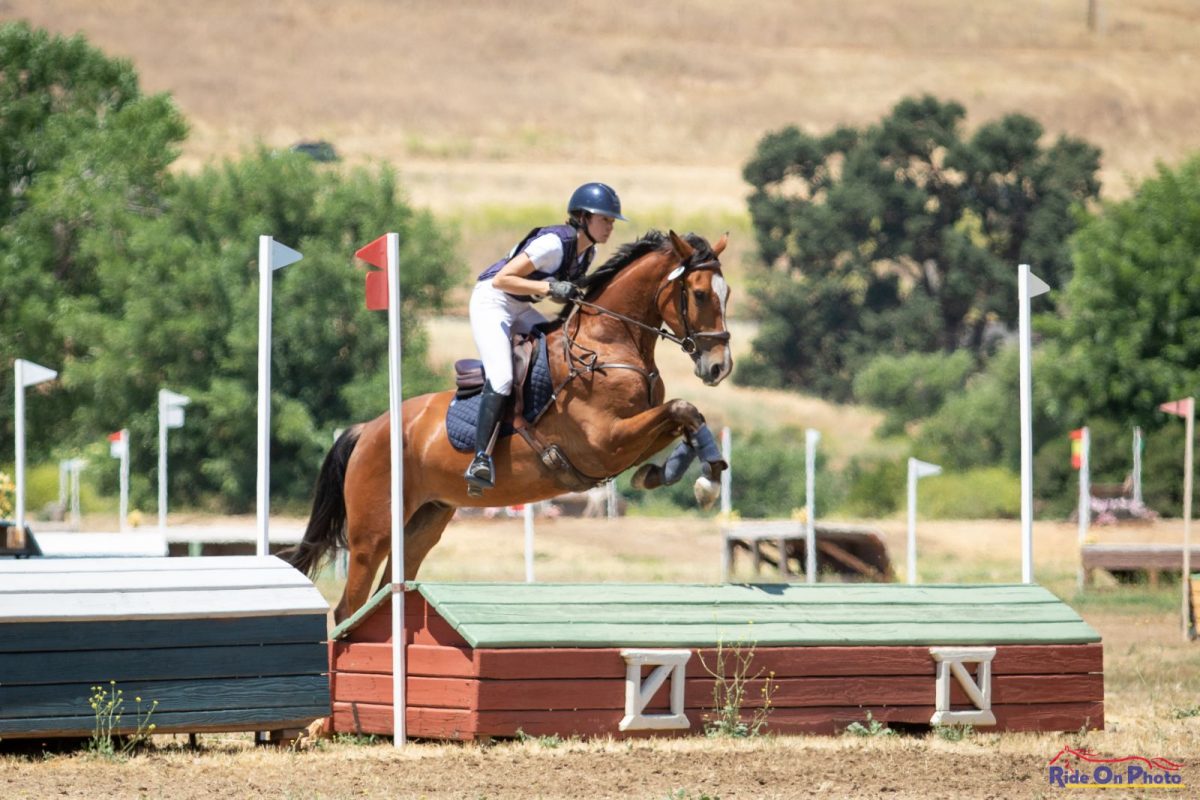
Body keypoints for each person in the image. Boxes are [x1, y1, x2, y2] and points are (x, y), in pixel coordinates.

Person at [464, 182, 627, 491]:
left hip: (520, 306)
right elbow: (502, 279)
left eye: (612, 221)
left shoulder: (586, 254)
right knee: (501, 378)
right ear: (582, 217)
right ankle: (480, 458)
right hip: (493, 302)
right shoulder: (553, 243)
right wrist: (549, 288)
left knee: (561, 349)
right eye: (605, 219)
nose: (610, 227)